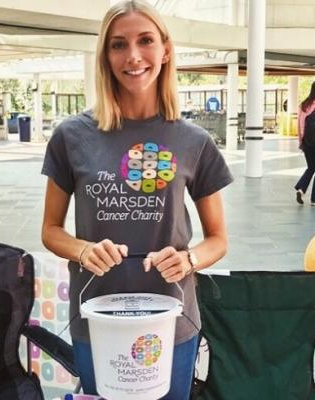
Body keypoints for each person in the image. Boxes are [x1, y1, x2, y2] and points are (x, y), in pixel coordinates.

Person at [41, 1, 233, 398]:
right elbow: (50, 230)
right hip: (97, 316)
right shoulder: (72, 137)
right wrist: (83, 250)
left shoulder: (194, 141)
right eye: (118, 45)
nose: (133, 56)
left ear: (165, 50)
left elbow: (218, 239)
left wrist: (188, 259)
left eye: (145, 40)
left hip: (171, 317)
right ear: (105, 57)